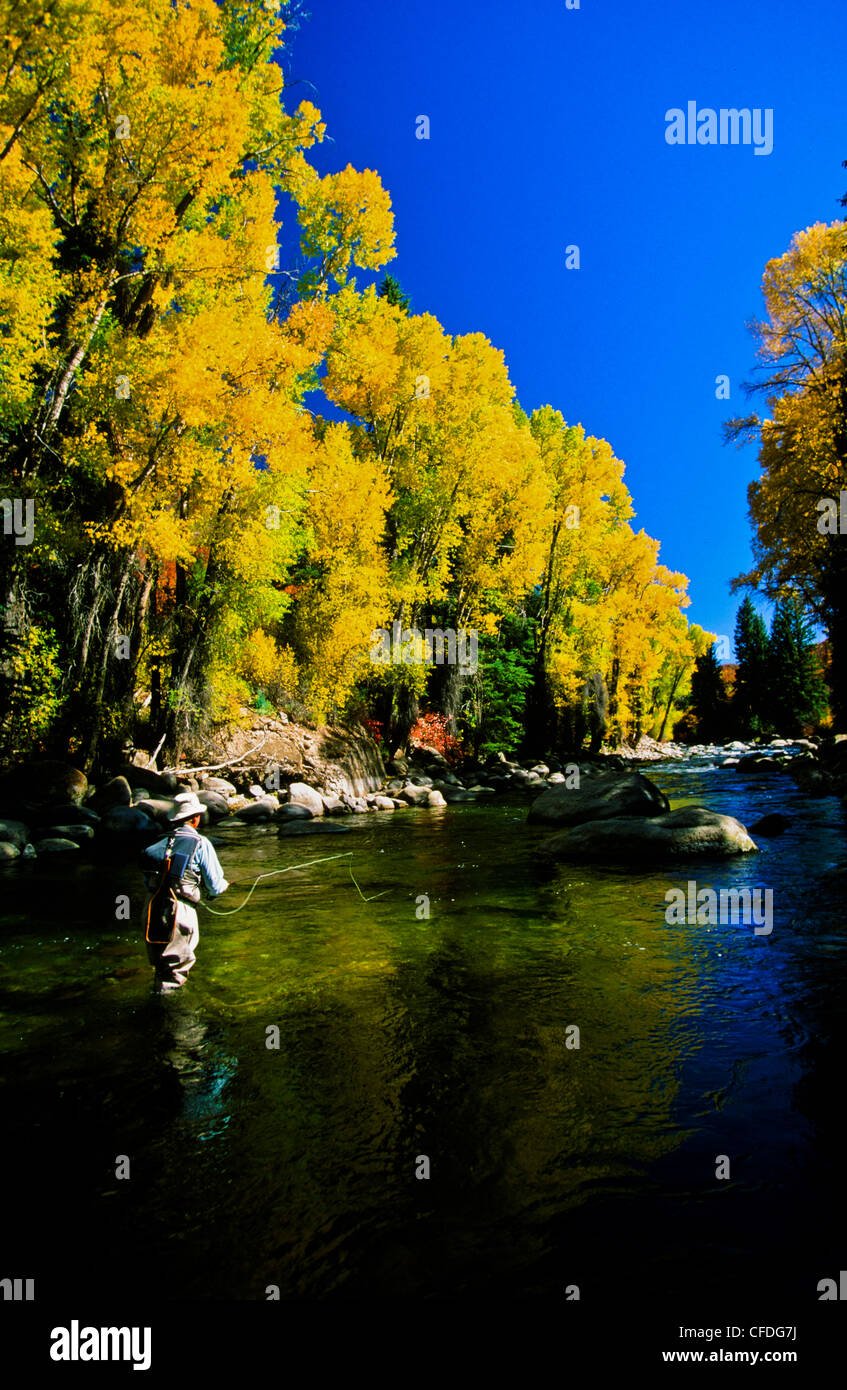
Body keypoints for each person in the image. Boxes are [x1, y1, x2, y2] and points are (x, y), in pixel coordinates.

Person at [140, 792, 229, 993]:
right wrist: (223, 886)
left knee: (161, 968)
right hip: (179, 911)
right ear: (195, 818)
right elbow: (215, 885)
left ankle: (156, 1009)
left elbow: (148, 882)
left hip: (151, 909)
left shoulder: (154, 846)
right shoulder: (201, 843)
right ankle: (176, 1019)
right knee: (175, 972)